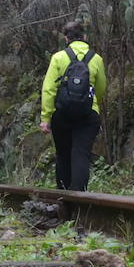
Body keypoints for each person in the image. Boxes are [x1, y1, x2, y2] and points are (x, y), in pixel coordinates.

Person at [39, 20, 107, 191]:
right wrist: (91, 104)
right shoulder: (96, 59)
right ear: (84, 37)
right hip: (88, 114)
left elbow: (48, 89)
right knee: (81, 153)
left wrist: (45, 117)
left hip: (62, 114)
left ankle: (63, 196)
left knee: (63, 155)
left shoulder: (58, 57)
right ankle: (79, 199)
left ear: (66, 38)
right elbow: (101, 88)